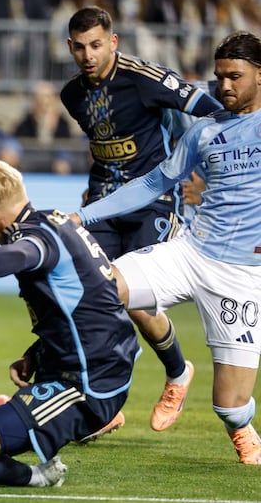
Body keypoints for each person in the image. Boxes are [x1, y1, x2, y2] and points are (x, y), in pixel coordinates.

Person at [71, 30, 261, 465]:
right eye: (218, 78)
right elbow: (155, 182)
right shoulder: (205, 133)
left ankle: (243, 427)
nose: (224, 87)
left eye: (235, 76)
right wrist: (87, 215)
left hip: (242, 275)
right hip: (191, 252)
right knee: (101, 288)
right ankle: (97, 403)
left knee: (230, 405)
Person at [0, 159, 140, 487]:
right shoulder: (57, 222)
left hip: (84, 388)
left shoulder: (32, 238)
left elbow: (20, 254)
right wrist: (37, 354)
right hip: (102, 367)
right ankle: (24, 420)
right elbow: (89, 303)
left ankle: (40, 475)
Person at [59, 6, 223, 433]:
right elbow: (104, 143)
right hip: (103, 203)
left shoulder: (146, 78)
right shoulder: (72, 95)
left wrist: (201, 175)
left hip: (155, 200)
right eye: (80, 47)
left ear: (113, 42)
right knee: (86, 296)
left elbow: (213, 113)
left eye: (97, 45)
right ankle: (100, 404)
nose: (88, 54)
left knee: (135, 303)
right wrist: (93, 189)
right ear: (70, 48)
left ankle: (176, 373)